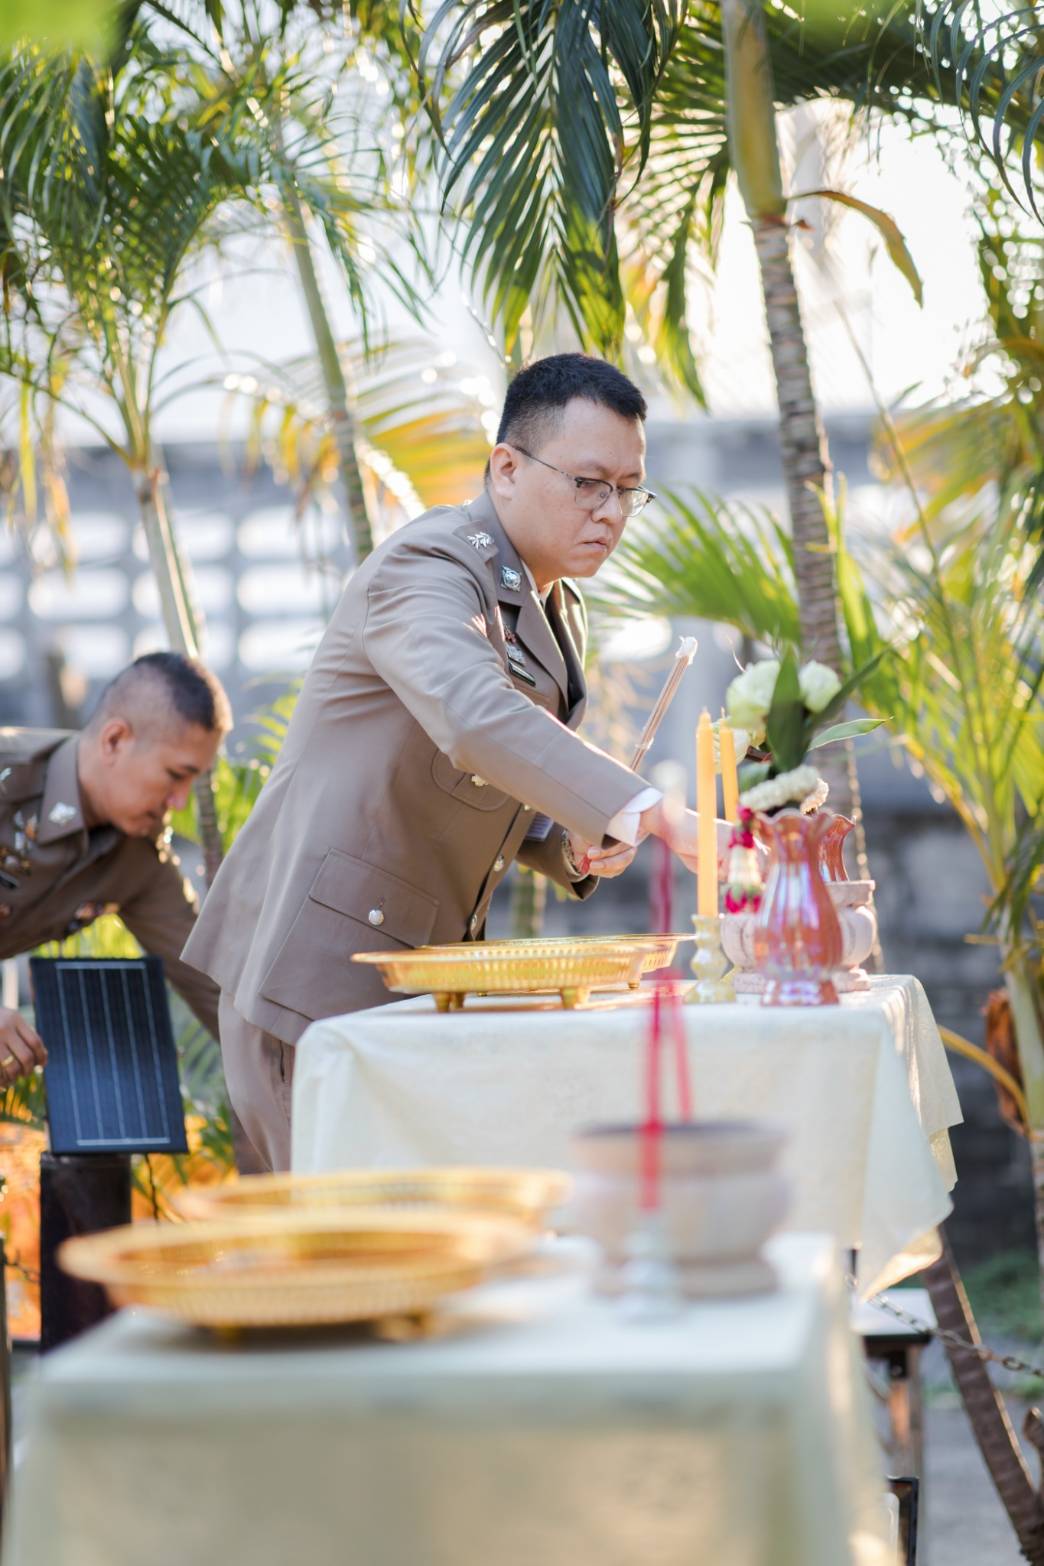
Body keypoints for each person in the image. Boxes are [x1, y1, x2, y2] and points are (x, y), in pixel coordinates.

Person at [183, 353, 727, 1172]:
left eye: (627, 489)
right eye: (588, 483)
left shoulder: (554, 604)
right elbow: (474, 717)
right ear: (506, 468)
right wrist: (654, 812)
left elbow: (487, 778)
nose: (611, 512)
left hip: (408, 979)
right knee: (342, 1233)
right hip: (315, 981)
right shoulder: (427, 566)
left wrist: (573, 838)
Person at [0, 652, 230, 1088]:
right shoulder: (6, 775)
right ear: (115, 740)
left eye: (194, 781)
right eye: (175, 775)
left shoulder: (139, 859)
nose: (180, 801)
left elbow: (216, 992)